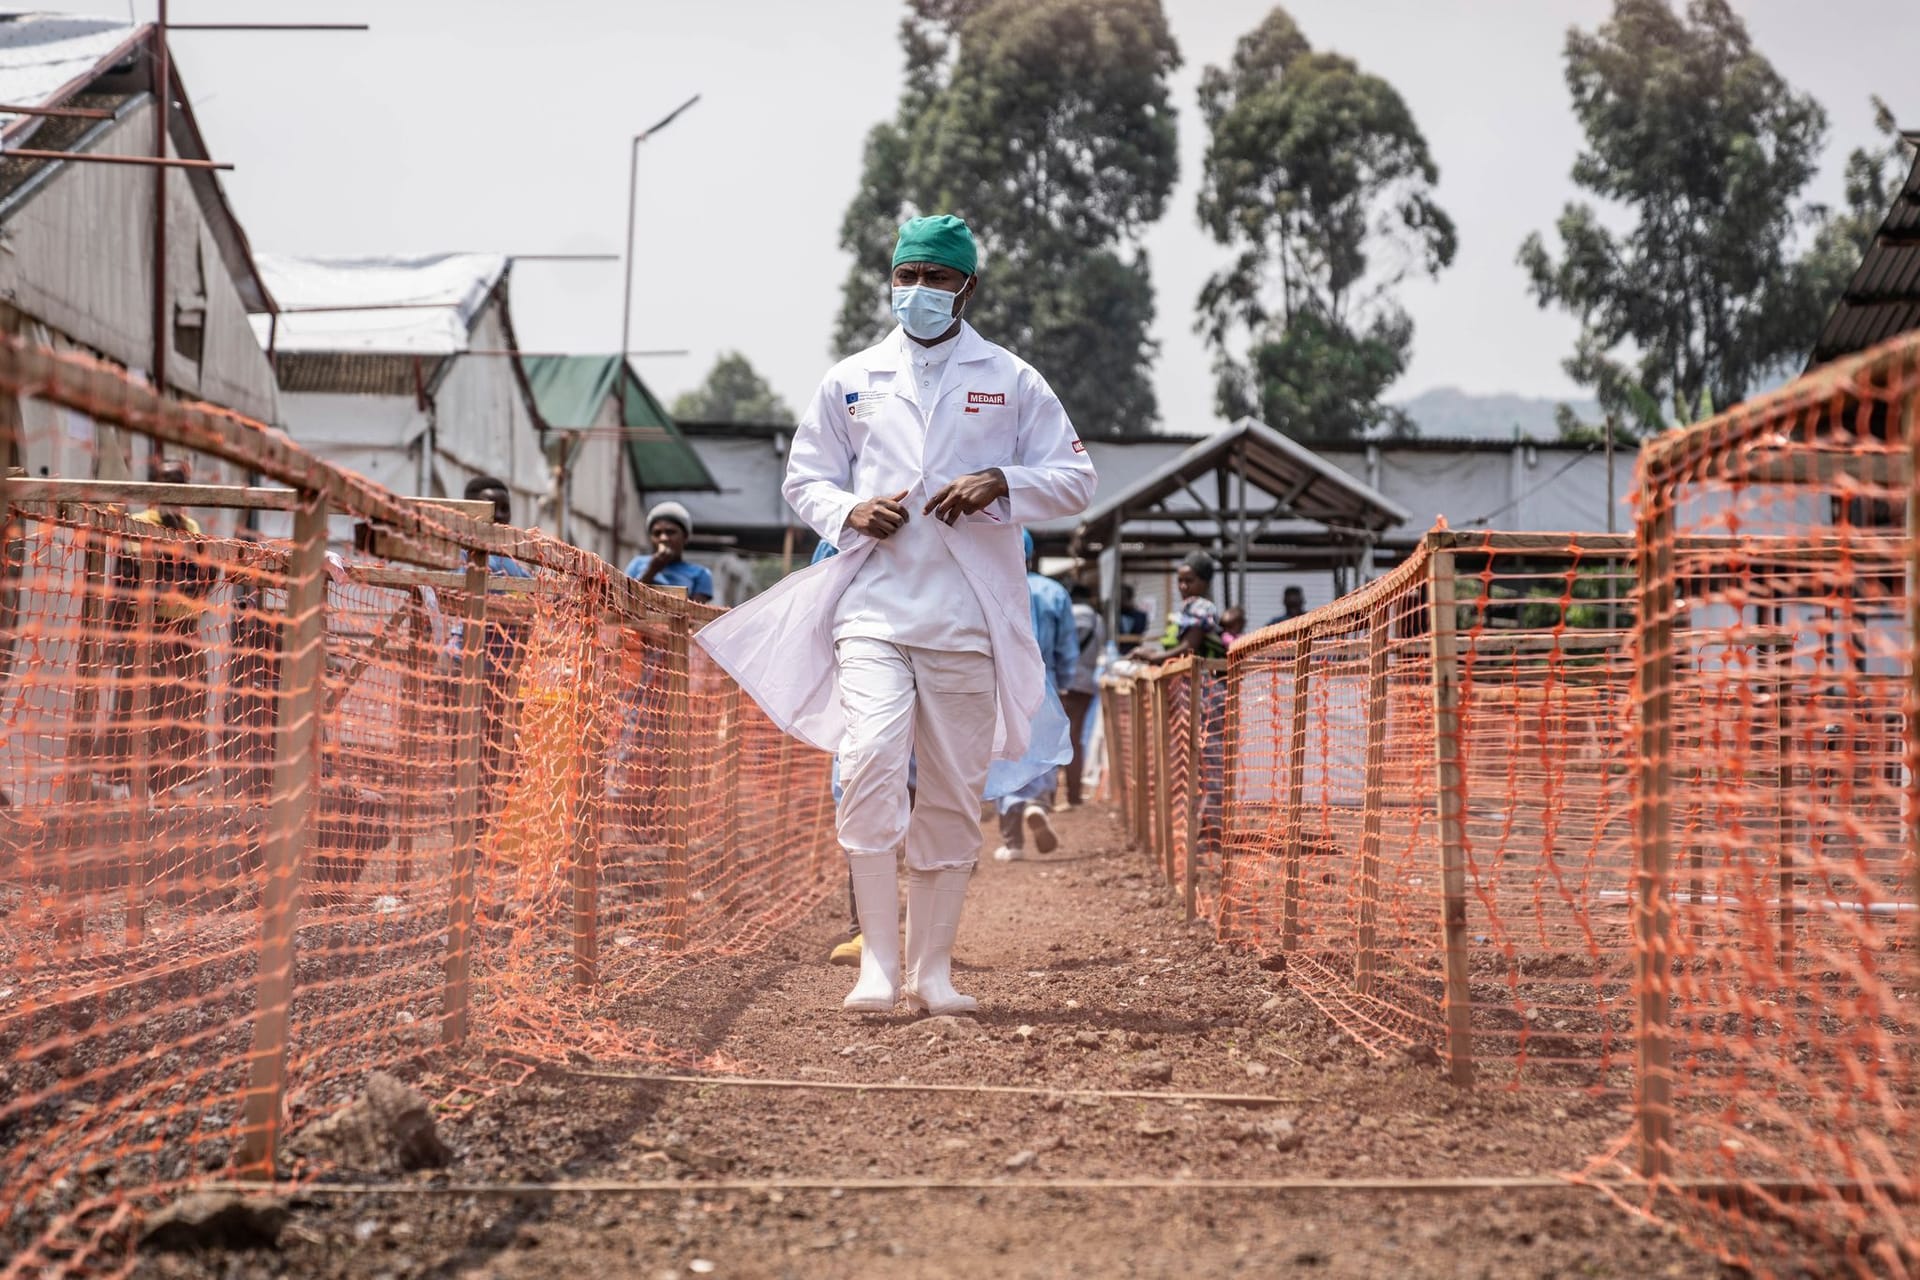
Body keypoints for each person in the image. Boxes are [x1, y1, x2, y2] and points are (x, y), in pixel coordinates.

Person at [697, 213, 1096, 1016]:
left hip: (969, 621)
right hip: (873, 611)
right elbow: (805, 478)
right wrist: (849, 512)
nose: (916, 291)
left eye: (935, 278)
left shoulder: (1012, 379)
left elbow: (1076, 479)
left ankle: (933, 972)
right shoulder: (851, 379)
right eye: (905, 275)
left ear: (967, 288)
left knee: (952, 790)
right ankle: (876, 966)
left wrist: (1001, 482)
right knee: (873, 761)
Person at [105, 456, 219, 794]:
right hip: (146, 638)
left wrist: (189, 580)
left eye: (179, 487)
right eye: (167, 486)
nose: (174, 495)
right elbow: (125, 585)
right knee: (140, 715)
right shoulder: (138, 526)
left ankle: (169, 788)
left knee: (183, 715)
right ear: (155, 490)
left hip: (184, 639)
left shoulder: (193, 530)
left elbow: (204, 577)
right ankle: (136, 790)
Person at [450, 475, 533, 834]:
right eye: (490, 511)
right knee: (467, 751)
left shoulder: (519, 560)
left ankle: (488, 827)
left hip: (507, 672)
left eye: (505, 510)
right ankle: (468, 830)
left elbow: (536, 601)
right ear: (470, 514)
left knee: (502, 752)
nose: (499, 518)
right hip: (467, 667)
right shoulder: (462, 556)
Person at [992, 531, 1076, 862]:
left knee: (1005, 752)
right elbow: (1067, 644)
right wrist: (1066, 682)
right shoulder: (1054, 592)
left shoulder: (993, 586)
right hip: (1045, 682)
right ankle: (1038, 804)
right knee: (1042, 748)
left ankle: (1013, 839)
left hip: (1002, 682)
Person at [1137, 552, 1227, 665]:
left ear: (1205, 583)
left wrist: (1154, 657)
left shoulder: (1202, 608)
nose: (1183, 586)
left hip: (1202, 679)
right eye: (1180, 580)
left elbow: (1188, 648)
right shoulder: (1187, 608)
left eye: (1189, 581)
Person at [1060, 581, 1104, 808]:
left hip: (1066, 680)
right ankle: (1074, 795)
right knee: (1076, 738)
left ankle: (1055, 797)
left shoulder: (1068, 612)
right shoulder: (1098, 620)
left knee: (1062, 737)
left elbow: (1062, 646)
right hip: (1087, 682)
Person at [624, 501, 713, 603]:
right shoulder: (637, 564)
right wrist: (651, 571)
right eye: (657, 533)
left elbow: (696, 613)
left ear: (685, 537)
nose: (663, 538)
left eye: (670, 532)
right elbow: (626, 600)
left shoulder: (701, 574)